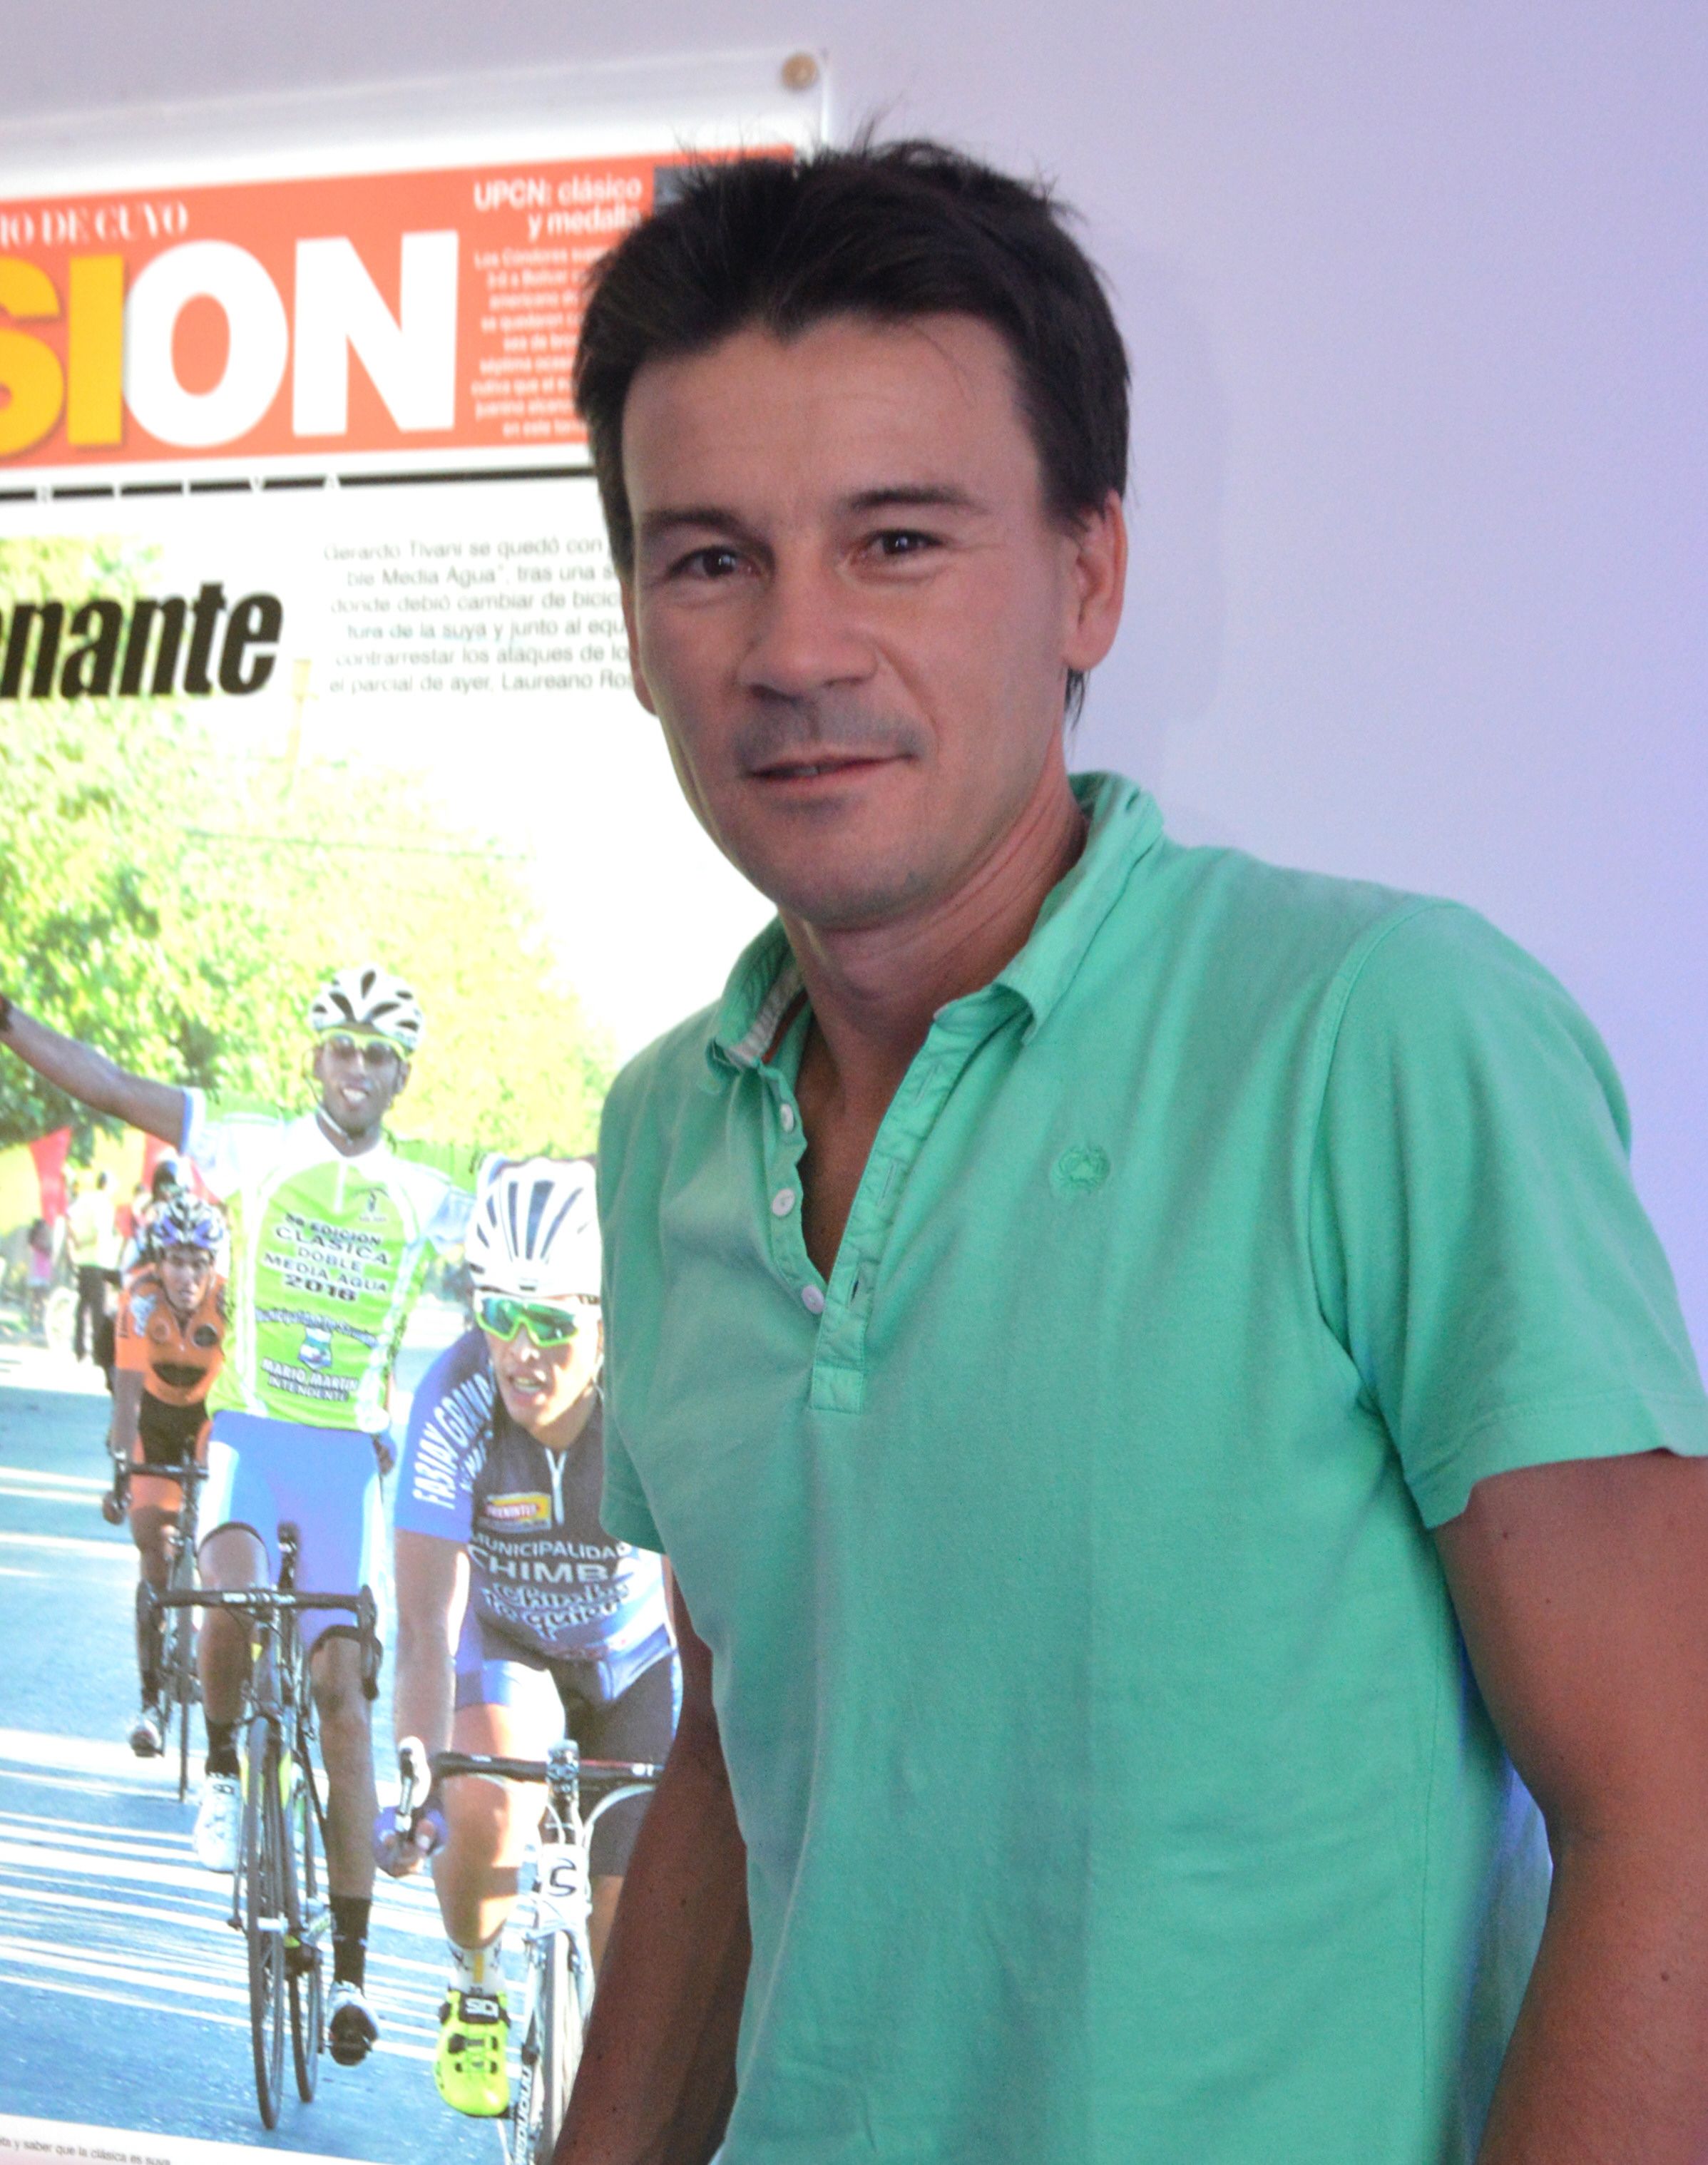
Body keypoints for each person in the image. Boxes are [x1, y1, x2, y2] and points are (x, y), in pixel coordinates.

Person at [553, 143, 1708, 2165]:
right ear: (638, 624)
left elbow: (1671, 1805)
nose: (796, 648)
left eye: (896, 540)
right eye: (709, 557)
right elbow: (746, 1751)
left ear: (1089, 572)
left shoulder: (1378, 1033)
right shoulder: (666, 1130)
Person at [0, 965, 491, 2067]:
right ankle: (223, 1769)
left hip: (345, 1462)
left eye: (377, 1055)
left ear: (401, 1077)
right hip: (253, 1439)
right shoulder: (251, 1144)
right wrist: (11, 1020)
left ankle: (351, 1976)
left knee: (343, 1702)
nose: (356, 1068)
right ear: (314, 1056)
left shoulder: (433, 1185)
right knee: (226, 1591)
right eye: (340, 1047)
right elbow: (111, 1083)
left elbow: (579, 1187)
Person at [376, 1156, 677, 2119]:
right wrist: (417, 1774)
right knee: (483, 1801)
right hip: (506, 1643)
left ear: (609, 1320)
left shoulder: (659, 1397)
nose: (518, 1351)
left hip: (637, 1657)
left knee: (630, 1932)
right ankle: (475, 1984)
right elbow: (425, 1627)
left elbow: (720, 1598)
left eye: (549, 1322)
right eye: (499, 1315)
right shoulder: (455, 1398)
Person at [109, 1188, 227, 1758]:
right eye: (176, 1262)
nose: (186, 1276)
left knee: (220, 1545)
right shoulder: (138, 1300)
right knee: (152, 1546)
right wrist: (120, 1468)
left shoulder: (229, 1304)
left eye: (198, 1264)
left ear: (212, 1267)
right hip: (153, 1420)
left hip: (209, 1419)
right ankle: (151, 1700)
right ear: (159, 1263)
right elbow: (127, 1394)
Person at [66, 1168, 121, 1384]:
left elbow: (69, 1217)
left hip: (83, 1260)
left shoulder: (85, 1199)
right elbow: (100, 1231)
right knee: (98, 1309)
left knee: (83, 1306)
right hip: (99, 1260)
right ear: (107, 1184)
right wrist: (87, 1240)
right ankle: (99, 1353)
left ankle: (79, 1348)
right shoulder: (104, 1204)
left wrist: (76, 1241)